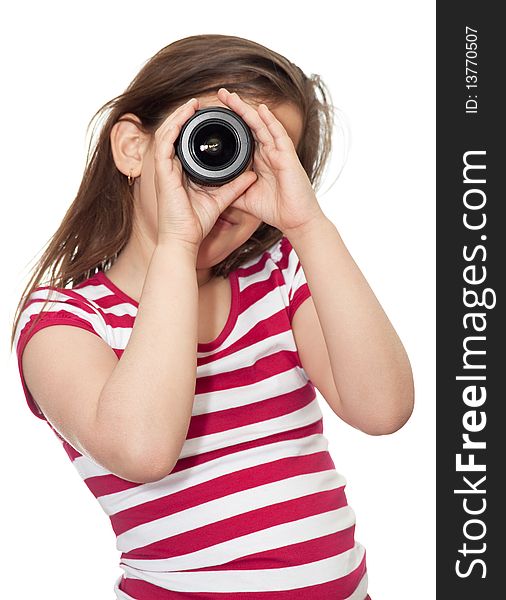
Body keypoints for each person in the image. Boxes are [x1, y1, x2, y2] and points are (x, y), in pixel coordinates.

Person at [10, 33, 413, 599]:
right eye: (215, 138)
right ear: (132, 148)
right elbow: (144, 449)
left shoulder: (278, 278)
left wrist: (308, 225)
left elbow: (383, 408)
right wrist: (178, 239)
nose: (228, 177)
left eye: (262, 155)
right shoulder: (66, 319)